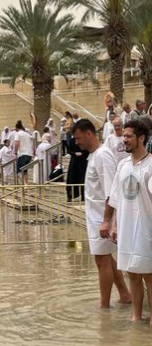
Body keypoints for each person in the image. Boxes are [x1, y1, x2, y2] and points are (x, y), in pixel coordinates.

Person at [72, 119, 131, 308]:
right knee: (106, 258)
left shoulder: (103, 155)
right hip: (95, 216)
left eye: (79, 138)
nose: (76, 142)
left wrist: (107, 221)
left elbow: (111, 192)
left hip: (101, 217)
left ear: (89, 133)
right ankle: (124, 294)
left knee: (101, 260)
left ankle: (103, 305)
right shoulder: (94, 156)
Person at [107, 120, 152, 323]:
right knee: (132, 273)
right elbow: (116, 198)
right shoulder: (122, 165)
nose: (124, 139)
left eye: (128, 136)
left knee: (149, 275)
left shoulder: (151, 165)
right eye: (123, 136)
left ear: (141, 138)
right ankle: (136, 317)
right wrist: (114, 224)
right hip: (126, 228)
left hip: (146, 229)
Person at [66, 133, 88, 202]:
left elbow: (87, 149)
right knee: (72, 178)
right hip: (74, 162)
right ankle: (70, 195)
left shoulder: (84, 140)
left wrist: (82, 153)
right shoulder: (72, 140)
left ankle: (83, 196)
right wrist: (74, 153)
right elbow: (69, 150)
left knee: (82, 178)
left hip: (82, 161)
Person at [14, 120, 33, 185]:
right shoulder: (27, 134)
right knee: (25, 171)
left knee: (18, 172)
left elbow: (17, 143)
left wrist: (15, 152)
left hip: (22, 154)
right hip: (29, 155)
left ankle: (25, 184)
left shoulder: (18, 134)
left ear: (17, 128)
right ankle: (26, 183)